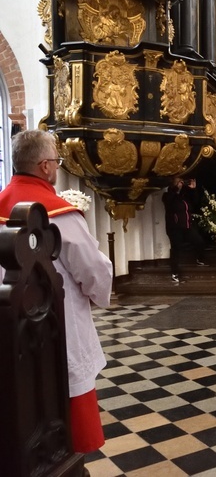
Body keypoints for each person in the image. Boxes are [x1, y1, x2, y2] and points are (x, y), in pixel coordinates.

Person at [0, 129, 113, 454]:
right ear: (46, 166)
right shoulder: (57, 214)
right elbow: (92, 270)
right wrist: (100, 292)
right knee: (63, 397)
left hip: (9, 328)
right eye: (58, 162)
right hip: (56, 327)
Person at [162, 176, 206, 282]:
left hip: (187, 226)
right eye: (178, 182)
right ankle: (174, 273)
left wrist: (193, 189)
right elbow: (170, 202)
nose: (181, 183)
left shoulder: (184, 196)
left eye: (181, 181)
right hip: (175, 228)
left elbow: (195, 202)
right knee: (176, 249)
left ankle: (199, 259)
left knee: (199, 241)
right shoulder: (167, 195)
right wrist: (175, 188)